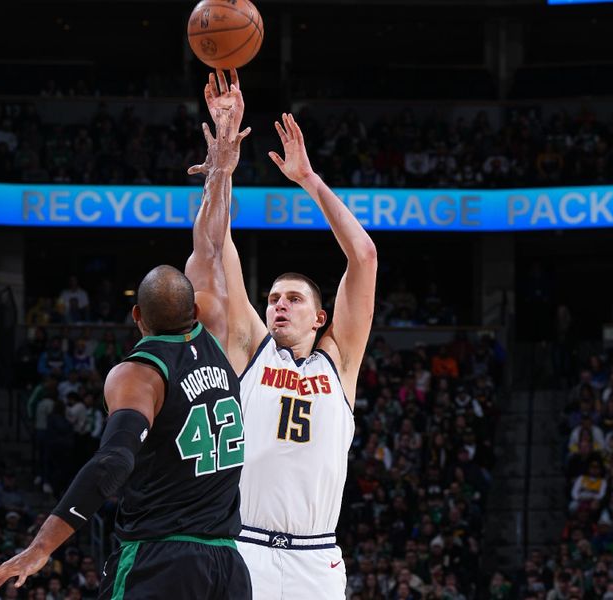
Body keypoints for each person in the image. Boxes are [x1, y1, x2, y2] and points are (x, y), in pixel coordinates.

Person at [0, 93, 252, 599]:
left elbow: (111, 464)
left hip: (160, 559)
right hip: (228, 566)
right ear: (194, 309)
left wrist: (41, 547)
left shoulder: (138, 375)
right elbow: (211, 244)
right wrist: (222, 168)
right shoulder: (213, 326)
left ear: (137, 317)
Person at [194, 69, 378, 599]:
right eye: (273, 298)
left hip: (316, 558)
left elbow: (363, 256)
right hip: (244, 546)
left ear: (320, 317)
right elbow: (216, 244)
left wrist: (309, 181)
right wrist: (222, 167)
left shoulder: (339, 364)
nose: (278, 305)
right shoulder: (252, 348)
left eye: (293, 299)